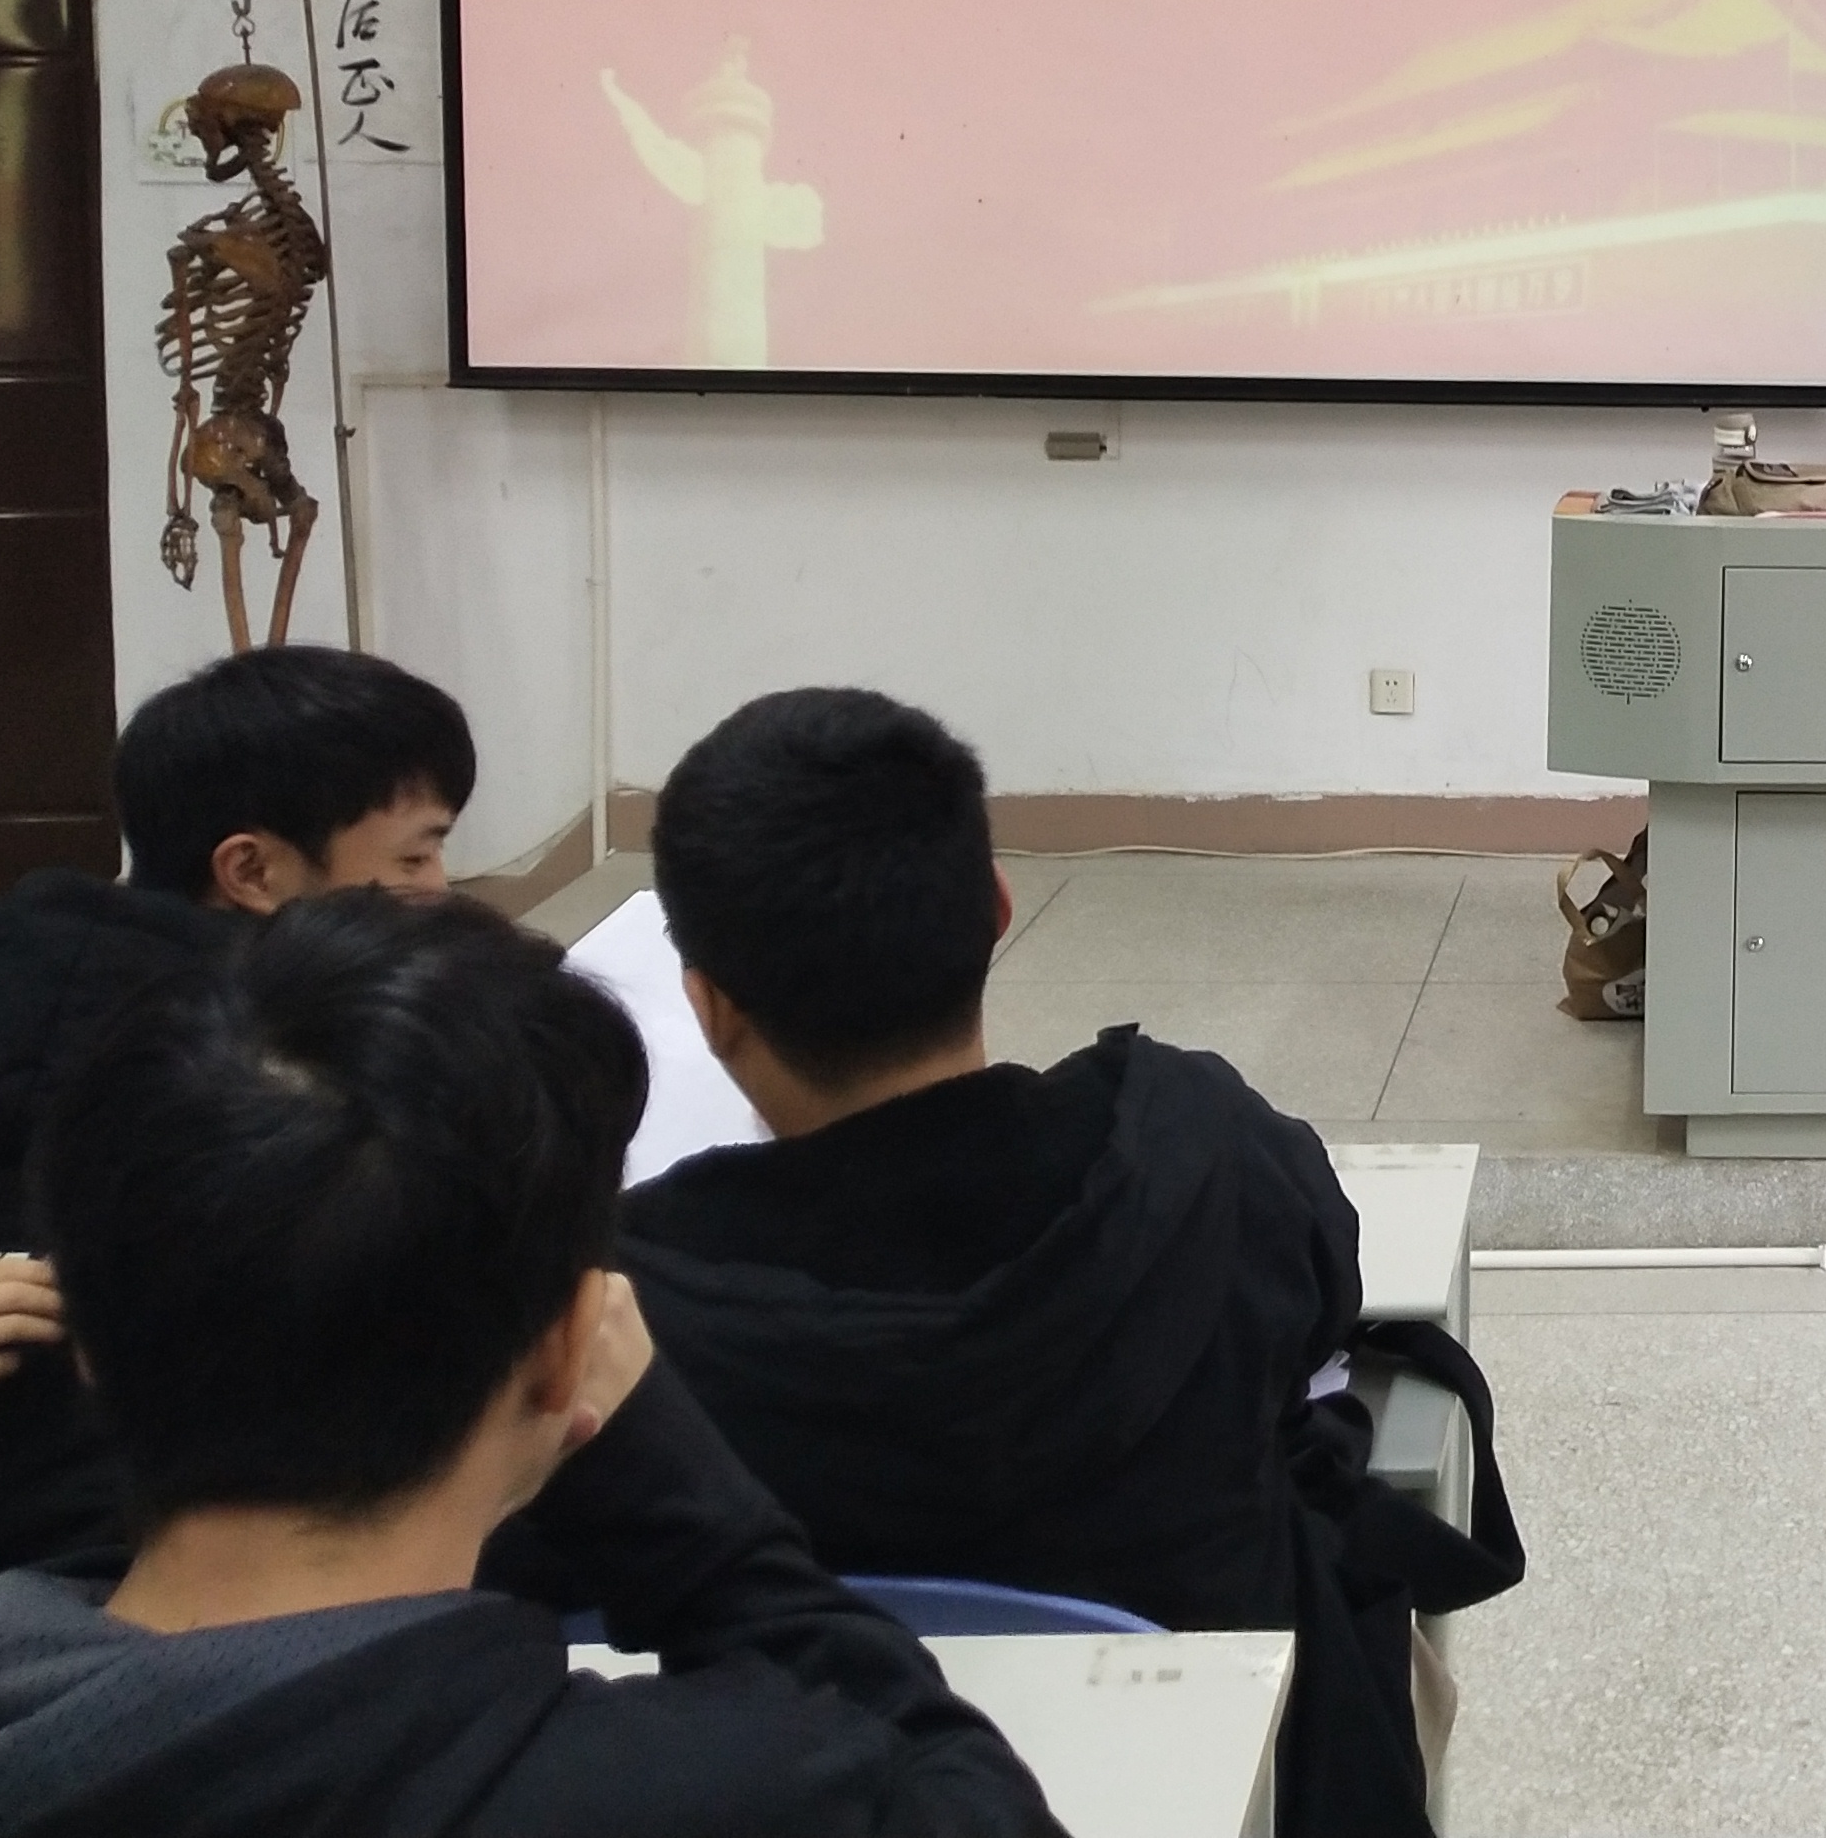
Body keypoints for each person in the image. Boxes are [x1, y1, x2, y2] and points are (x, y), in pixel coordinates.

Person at [0, 889, 1055, 1838]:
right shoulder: (706, 1790)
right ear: (565, 1355)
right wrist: (688, 1513)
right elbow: (968, 1796)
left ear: (87, 1338)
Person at [616, 686, 1498, 1838]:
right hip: (1221, 1778)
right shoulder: (1202, 1152)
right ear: (997, 908)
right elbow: (1327, 1293)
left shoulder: (606, 1318)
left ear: (709, 1007)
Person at [0, 645, 466, 1588]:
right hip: (150, 1570)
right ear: (252, 871)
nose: (439, 888)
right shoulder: (269, 1064)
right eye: (414, 855)